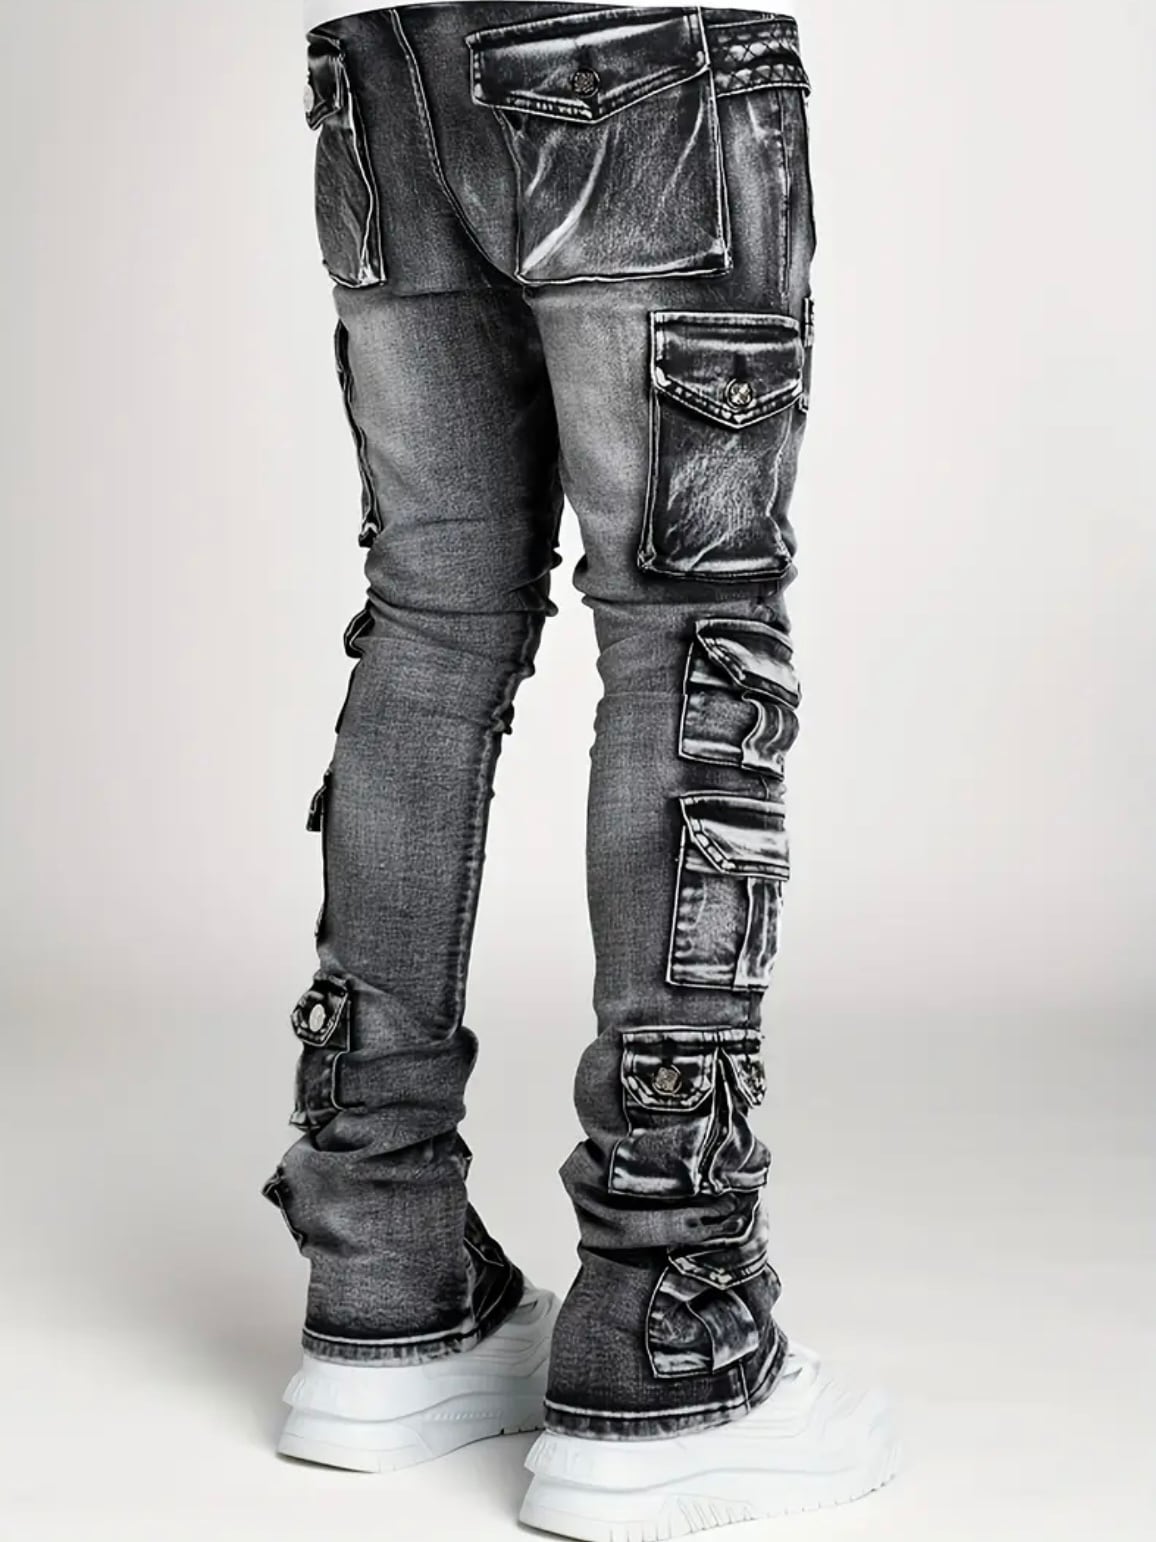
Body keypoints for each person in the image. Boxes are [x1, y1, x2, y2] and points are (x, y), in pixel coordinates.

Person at [263, 3, 900, 1535]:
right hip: (640, 61)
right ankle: (670, 1323)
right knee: (687, 627)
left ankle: (384, 1270)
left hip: (391, 65)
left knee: (431, 620)